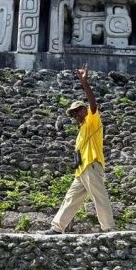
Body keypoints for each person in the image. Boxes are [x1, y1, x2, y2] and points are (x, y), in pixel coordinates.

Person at [44, 64, 115, 234]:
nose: (75, 115)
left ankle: (108, 228)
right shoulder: (81, 130)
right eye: (73, 113)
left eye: (77, 111)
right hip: (81, 170)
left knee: (99, 197)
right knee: (71, 198)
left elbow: (93, 103)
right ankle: (57, 227)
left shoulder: (92, 122)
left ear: (84, 110)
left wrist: (84, 83)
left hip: (91, 165)